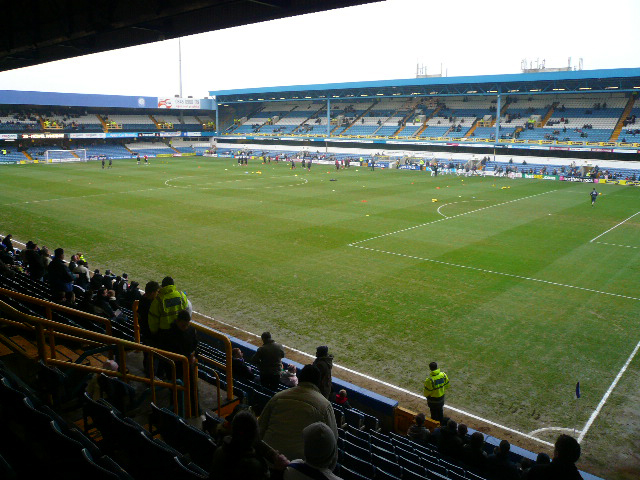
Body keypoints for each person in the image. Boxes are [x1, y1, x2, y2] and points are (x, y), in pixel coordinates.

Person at [258, 364, 338, 461]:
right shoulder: (325, 406)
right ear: (319, 383)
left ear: (299, 378)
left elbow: (260, 427)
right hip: (299, 468)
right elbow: (333, 440)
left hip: (268, 460)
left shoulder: (278, 397)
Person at [211, 410, 289, 480]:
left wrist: (271, 453)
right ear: (255, 434)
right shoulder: (254, 466)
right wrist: (278, 472)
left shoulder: (219, 451)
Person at [148, 276, 190, 348]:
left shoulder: (158, 301)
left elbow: (153, 321)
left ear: (163, 286)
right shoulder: (181, 295)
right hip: (180, 330)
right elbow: (187, 311)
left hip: (164, 334)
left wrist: (154, 333)